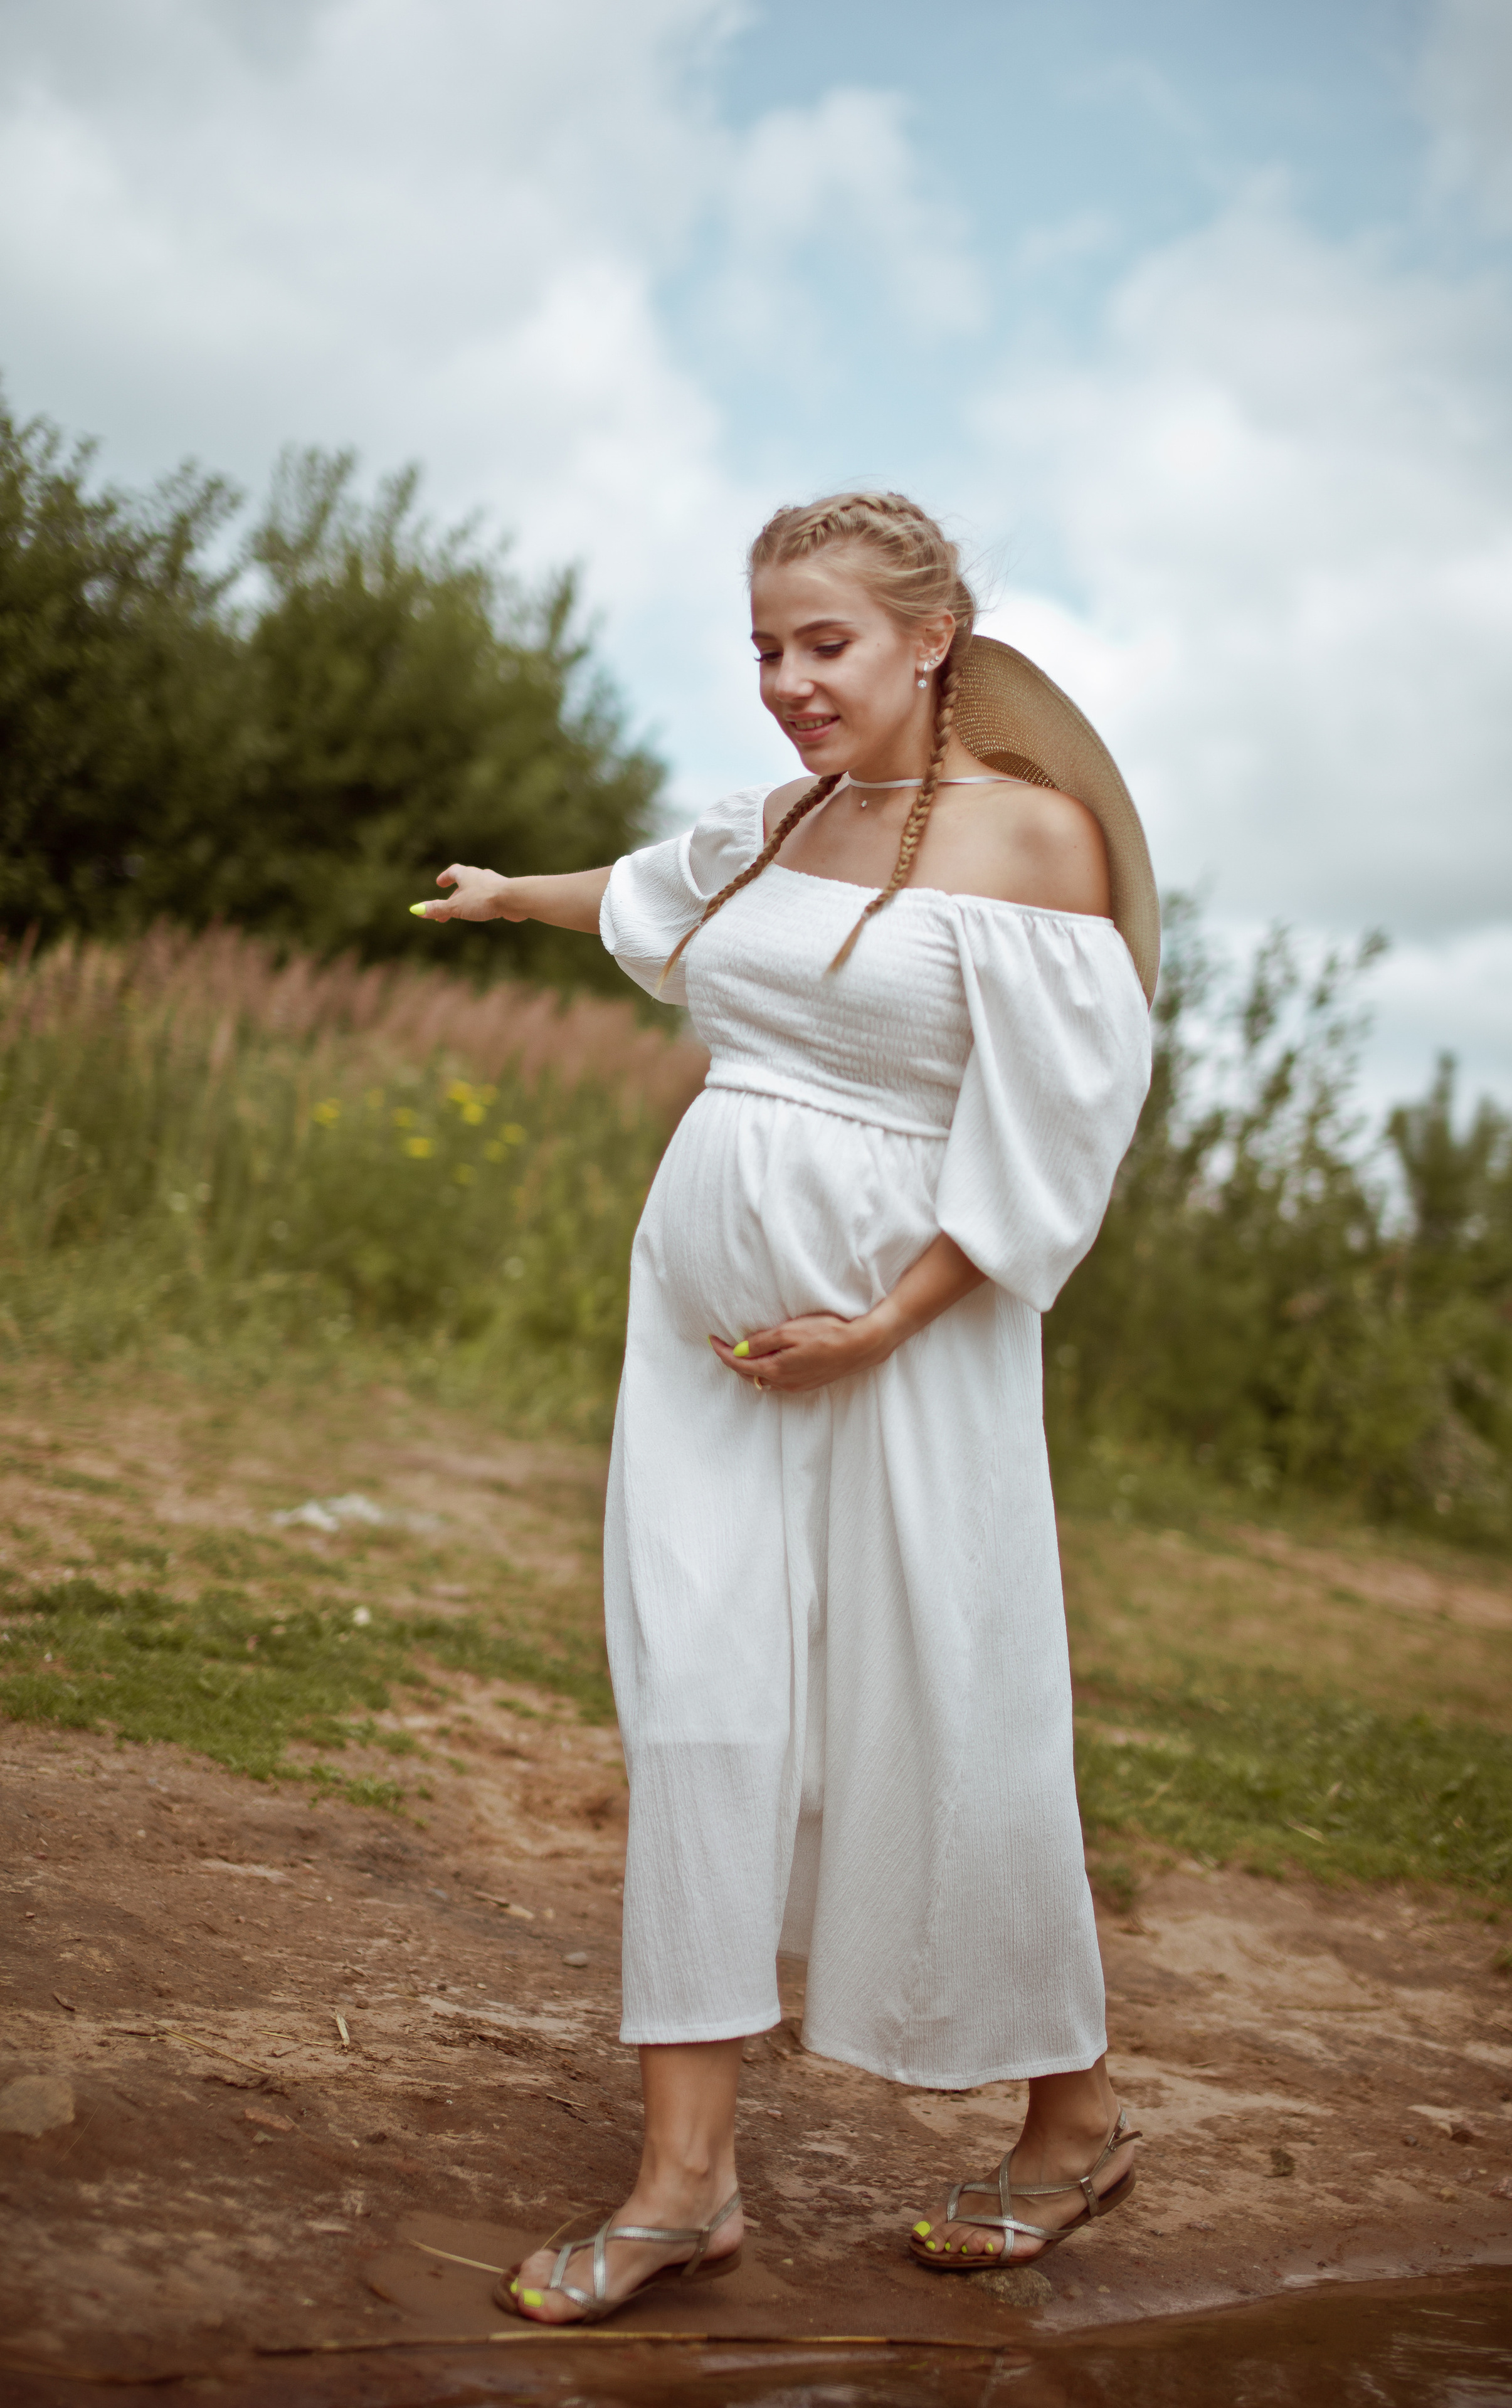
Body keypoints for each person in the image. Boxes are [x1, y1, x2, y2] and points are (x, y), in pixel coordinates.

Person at [417, 491, 1158, 2325]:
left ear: (933, 636)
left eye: (821, 643)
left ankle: (1069, 2120)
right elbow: (651, 894)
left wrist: (891, 1317)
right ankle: (688, 2186)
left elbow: (1060, 1132)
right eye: (764, 647)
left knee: (947, 1708)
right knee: (700, 1703)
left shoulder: (1034, 840)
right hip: (704, 1355)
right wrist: (511, 892)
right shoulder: (789, 826)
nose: (787, 682)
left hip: (918, 1353)